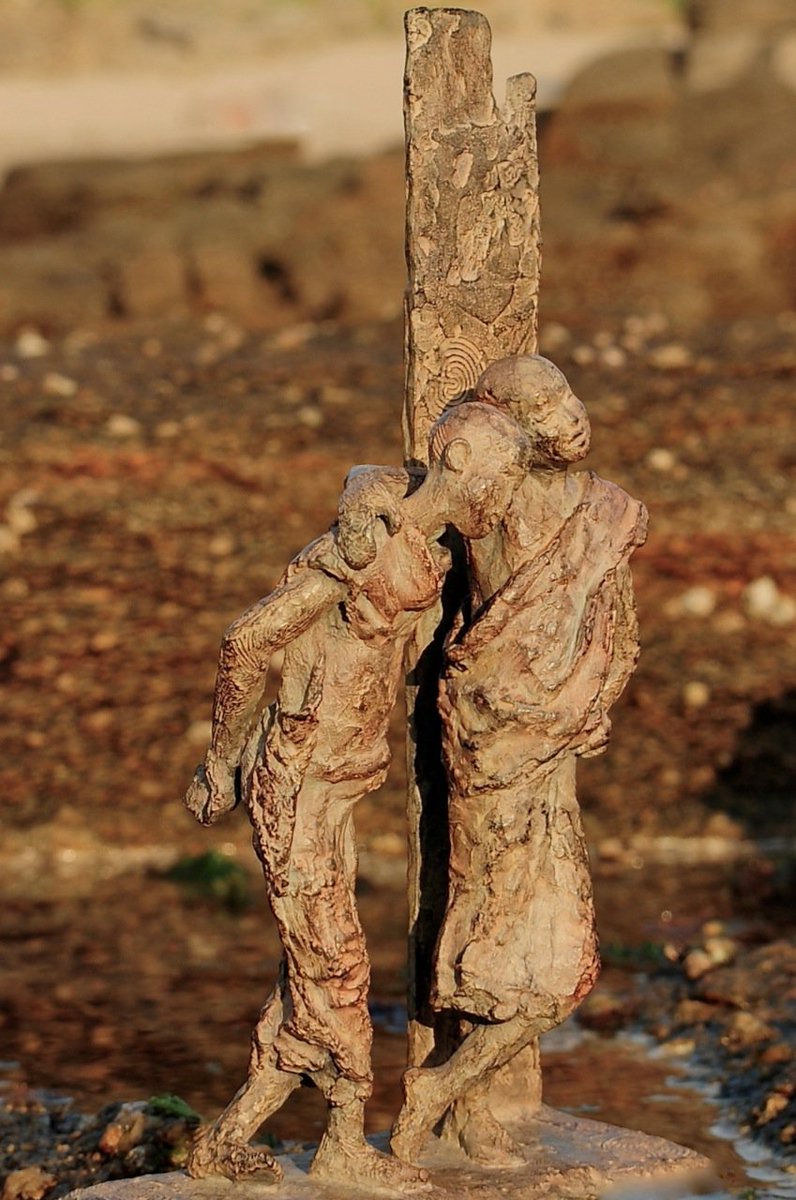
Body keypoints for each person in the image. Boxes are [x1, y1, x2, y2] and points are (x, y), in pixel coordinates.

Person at [182, 400, 531, 1189]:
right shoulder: (359, 544)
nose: (504, 499)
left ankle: (223, 1140)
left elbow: (379, 481)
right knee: (336, 969)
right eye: (502, 479)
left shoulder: (418, 526)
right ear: (463, 460)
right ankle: (341, 1144)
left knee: (309, 974)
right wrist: (221, 759)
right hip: (298, 780)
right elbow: (248, 639)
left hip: (341, 779)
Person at [386, 355, 648, 1166]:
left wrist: (596, 701)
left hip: (554, 739)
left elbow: (619, 624)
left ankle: (449, 1091)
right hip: (491, 730)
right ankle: (447, 1096)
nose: (570, 416)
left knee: (559, 953)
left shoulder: (605, 513)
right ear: (512, 428)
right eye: (546, 407)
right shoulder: (487, 493)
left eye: (569, 395)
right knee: (484, 916)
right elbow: (396, 530)